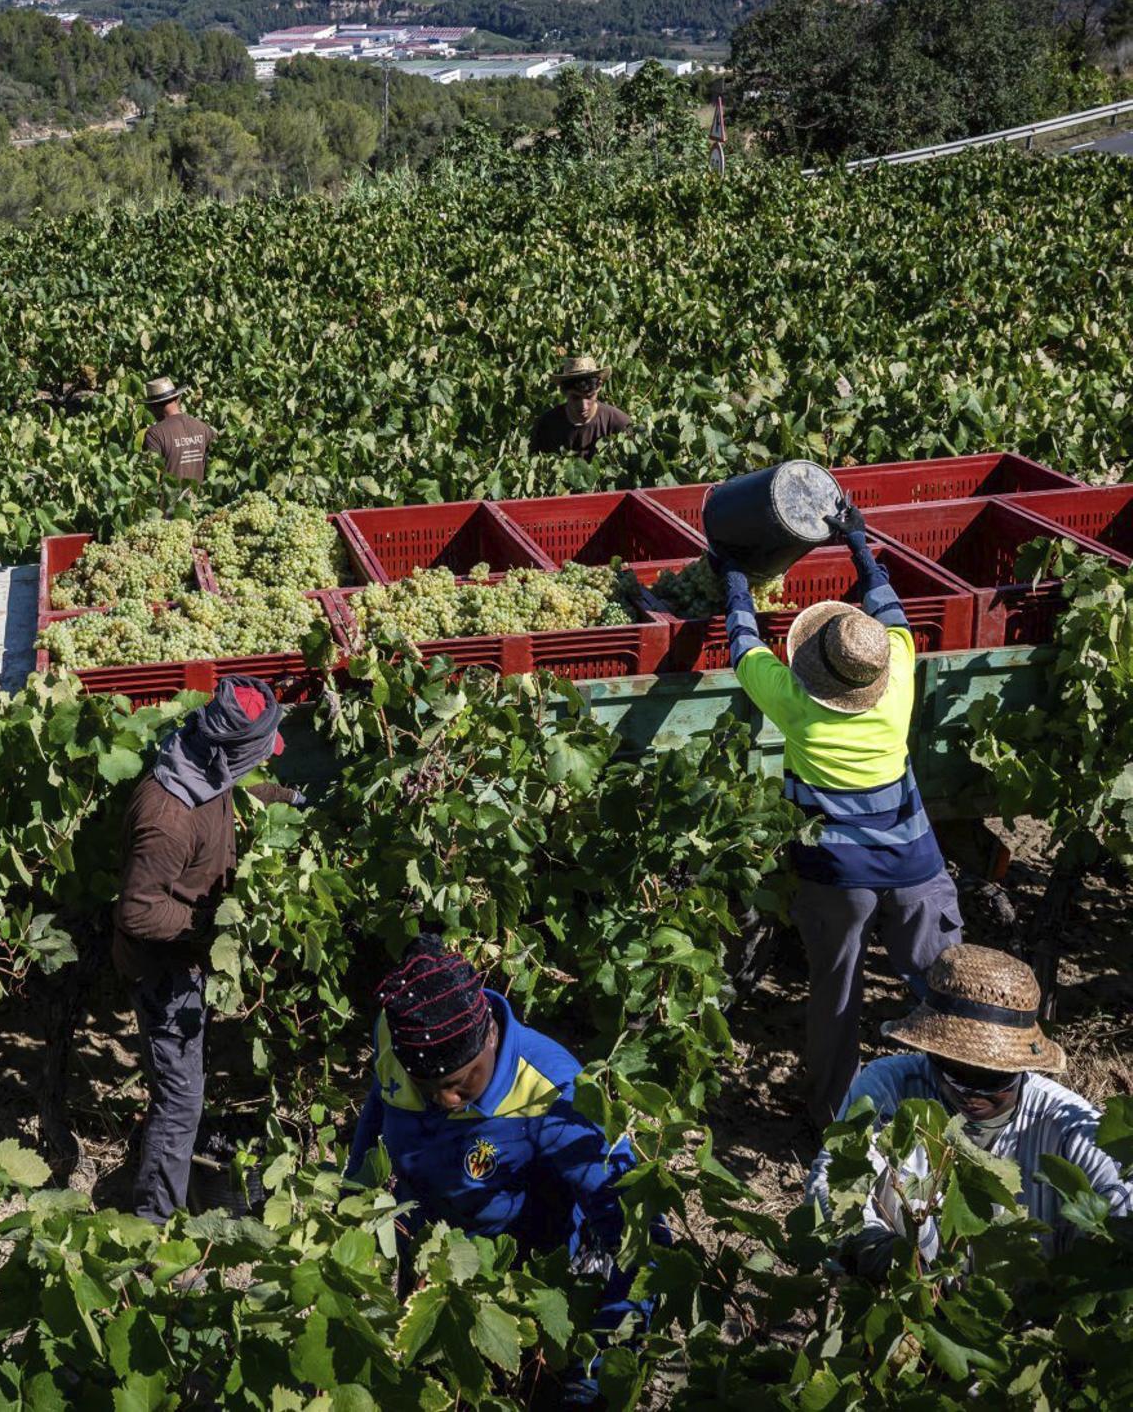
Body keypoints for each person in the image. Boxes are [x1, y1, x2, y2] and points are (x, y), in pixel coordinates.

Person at [711, 497, 963, 1127]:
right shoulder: (899, 671)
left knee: (837, 995)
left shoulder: (796, 701)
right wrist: (859, 542)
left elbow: (744, 646)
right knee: (944, 986)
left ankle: (835, 1121)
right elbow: (887, 607)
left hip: (836, 875)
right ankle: (966, 1094)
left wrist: (736, 578)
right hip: (914, 866)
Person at [346, 935, 661, 1404]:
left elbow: (636, 1228)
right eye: (426, 1086)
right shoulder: (398, 1038)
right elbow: (378, 1104)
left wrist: (597, 1369)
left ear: (490, 1035)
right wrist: (352, 1201)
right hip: (437, 1264)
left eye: (457, 1084)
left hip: (531, 1282)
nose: (443, 1100)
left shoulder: (552, 1091)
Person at [807, 943, 1133, 1271]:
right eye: (955, 1072)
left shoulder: (1068, 1124)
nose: (971, 1094)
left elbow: (1123, 1207)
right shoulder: (890, 1086)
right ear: (930, 1054)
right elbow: (831, 1184)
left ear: (1022, 1068)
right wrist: (881, 1253)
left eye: (992, 1080)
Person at [114, 676, 301, 1222]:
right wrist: (214, 929)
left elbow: (235, 794)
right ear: (230, 750)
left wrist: (290, 798)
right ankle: (153, 1227)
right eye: (259, 757)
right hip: (163, 972)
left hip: (186, 959)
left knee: (182, 1089)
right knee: (180, 1103)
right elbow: (138, 910)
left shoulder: (200, 764)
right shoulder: (168, 819)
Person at [529, 356, 631, 461]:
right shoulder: (545, 425)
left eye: (589, 396)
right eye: (575, 397)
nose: (583, 406)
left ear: (599, 387)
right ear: (564, 392)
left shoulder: (618, 423)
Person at [142, 375, 215, 485]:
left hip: (169, 501)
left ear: (154, 407)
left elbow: (151, 477)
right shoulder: (203, 428)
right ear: (177, 399)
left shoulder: (154, 434)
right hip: (197, 500)